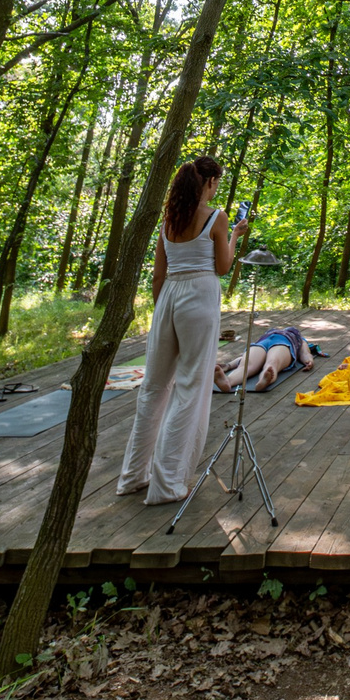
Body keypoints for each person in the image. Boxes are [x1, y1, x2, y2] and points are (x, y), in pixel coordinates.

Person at [117, 156, 245, 504]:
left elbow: (158, 274)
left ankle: (132, 476)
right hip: (200, 296)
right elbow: (221, 266)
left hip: (169, 297)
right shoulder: (216, 217)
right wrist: (234, 234)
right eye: (215, 182)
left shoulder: (169, 219)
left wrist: (162, 312)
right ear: (209, 183)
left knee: (154, 387)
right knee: (191, 386)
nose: (216, 187)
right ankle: (168, 484)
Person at [215, 325, 309, 393]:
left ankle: (264, 380)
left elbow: (305, 352)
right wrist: (229, 365)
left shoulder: (300, 339)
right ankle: (228, 381)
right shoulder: (268, 334)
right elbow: (241, 358)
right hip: (262, 344)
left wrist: (308, 361)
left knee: (273, 362)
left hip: (284, 342)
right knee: (247, 364)